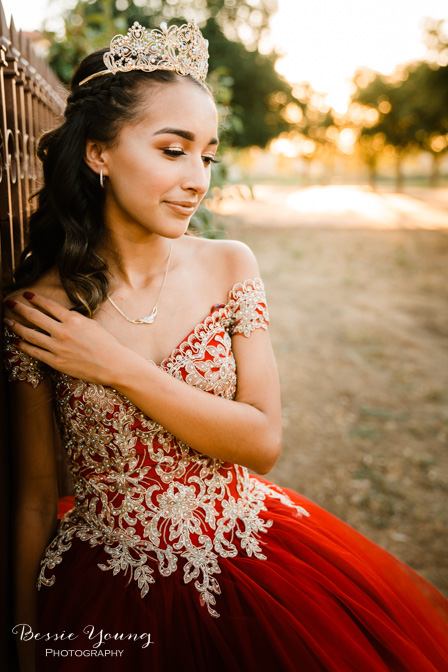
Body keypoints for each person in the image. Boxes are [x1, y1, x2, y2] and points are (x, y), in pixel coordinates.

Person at [3, 19, 448, 672]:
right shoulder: (43, 309)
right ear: (99, 153)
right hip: (103, 594)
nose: (197, 179)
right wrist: (24, 641)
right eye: (172, 149)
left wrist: (113, 366)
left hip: (248, 563)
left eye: (206, 155)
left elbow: (261, 442)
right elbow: (37, 497)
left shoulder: (230, 266)